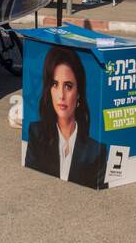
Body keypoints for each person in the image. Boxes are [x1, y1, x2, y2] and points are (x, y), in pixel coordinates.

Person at [24, 45, 106, 187]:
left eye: (68, 86)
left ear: (79, 92)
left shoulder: (95, 151)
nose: (61, 95)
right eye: (55, 84)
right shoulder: (36, 134)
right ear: (49, 89)